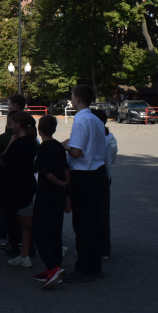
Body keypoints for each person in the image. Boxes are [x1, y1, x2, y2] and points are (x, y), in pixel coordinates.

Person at [61, 84, 108, 283]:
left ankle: (85, 268)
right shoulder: (96, 119)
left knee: (83, 223)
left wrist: (65, 146)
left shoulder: (80, 120)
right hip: (98, 173)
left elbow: (77, 152)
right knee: (95, 222)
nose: (71, 100)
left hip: (84, 175)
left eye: (72, 96)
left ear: (78, 99)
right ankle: (94, 264)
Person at [32, 115, 70, 288]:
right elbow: (65, 169)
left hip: (46, 195)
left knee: (39, 232)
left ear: (39, 130)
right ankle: (56, 267)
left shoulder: (43, 148)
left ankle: (52, 266)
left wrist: (61, 183)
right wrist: (66, 187)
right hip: (58, 196)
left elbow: (47, 174)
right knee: (55, 232)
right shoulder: (59, 147)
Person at [2, 111, 39, 269]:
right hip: (26, 184)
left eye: (14, 123)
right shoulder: (32, 142)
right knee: (25, 223)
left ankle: (53, 249)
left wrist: (10, 142)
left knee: (27, 222)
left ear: (19, 125)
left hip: (18, 187)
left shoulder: (19, 142)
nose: (12, 126)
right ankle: (24, 255)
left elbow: (4, 159)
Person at [0, 94, 28, 251]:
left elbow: (1, 160)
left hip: (11, 181)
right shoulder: (29, 134)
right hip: (22, 181)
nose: (7, 108)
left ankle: (14, 240)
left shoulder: (8, 137)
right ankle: (18, 238)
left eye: (8, 105)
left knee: (12, 212)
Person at [91, 108, 117, 259]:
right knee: (102, 214)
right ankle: (104, 247)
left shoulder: (103, 139)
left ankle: (98, 247)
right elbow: (112, 159)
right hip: (106, 176)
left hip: (98, 175)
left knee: (95, 214)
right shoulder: (111, 137)